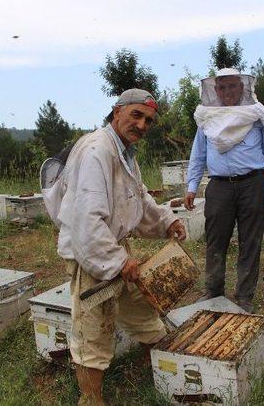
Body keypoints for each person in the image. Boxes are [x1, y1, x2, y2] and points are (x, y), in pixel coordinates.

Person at [48, 89, 187, 405]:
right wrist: (116, 259)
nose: (141, 124)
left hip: (112, 247)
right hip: (91, 254)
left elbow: (136, 198)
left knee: (140, 303)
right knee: (94, 325)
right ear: (116, 112)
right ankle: (91, 398)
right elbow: (87, 218)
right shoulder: (98, 151)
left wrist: (166, 221)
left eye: (148, 120)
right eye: (136, 115)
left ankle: (158, 365)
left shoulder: (123, 151)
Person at [184, 68, 264, 313]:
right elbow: (198, 155)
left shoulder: (254, 115)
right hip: (219, 186)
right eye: (222, 87)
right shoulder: (207, 119)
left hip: (252, 185)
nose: (227, 91)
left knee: (250, 241)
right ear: (215, 90)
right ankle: (213, 291)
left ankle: (244, 296)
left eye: (232, 86)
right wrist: (191, 187)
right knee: (215, 240)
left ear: (242, 88)